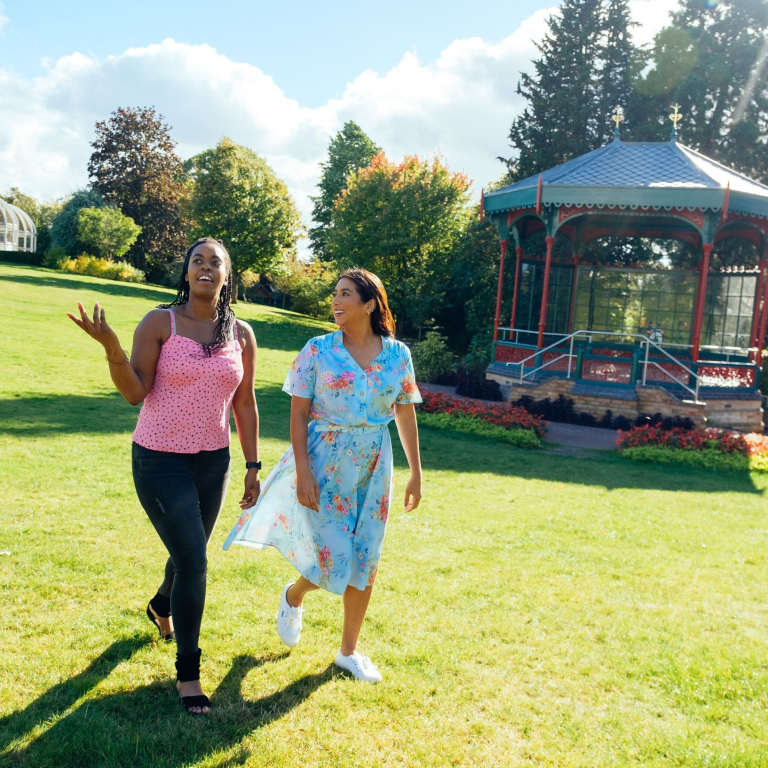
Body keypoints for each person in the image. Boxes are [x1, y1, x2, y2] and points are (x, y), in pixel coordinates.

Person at [67, 237, 260, 714]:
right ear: (187, 271)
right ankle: (189, 675)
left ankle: (160, 605)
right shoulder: (161, 322)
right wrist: (112, 347)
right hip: (158, 459)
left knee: (186, 549)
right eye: (198, 260)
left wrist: (253, 468)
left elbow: (245, 403)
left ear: (226, 275)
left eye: (216, 262)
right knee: (194, 560)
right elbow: (135, 392)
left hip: (213, 460)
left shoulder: (242, 334)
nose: (206, 268)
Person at [223, 268, 422, 682]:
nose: (335, 301)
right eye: (335, 294)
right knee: (335, 559)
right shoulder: (317, 350)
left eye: (345, 294)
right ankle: (294, 595)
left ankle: (348, 652)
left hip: (374, 464)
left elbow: (404, 411)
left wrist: (415, 472)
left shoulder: (398, 354)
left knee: (365, 558)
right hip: (324, 460)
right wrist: (304, 473)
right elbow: (297, 414)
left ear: (369, 304)